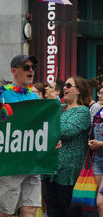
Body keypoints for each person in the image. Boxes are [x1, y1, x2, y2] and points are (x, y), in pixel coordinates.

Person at [0, 54, 40, 217]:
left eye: (33, 67)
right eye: (26, 67)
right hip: (11, 161)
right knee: (4, 211)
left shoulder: (35, 96)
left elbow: (40, 124)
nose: (31, 70)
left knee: (30, 209)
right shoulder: (3, 95)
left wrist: (52, 138)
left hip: (32, 160)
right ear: (13, 71)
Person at [44, 76, 92, 217]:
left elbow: (66, 131)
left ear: (79, 91)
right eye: (64, 85)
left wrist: (53, 108)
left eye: (69, 85)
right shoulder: (60, 108)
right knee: (53, 209)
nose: (64, 88)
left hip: (68, 171)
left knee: (69, 210)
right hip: (50, 168)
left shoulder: (82, 111)